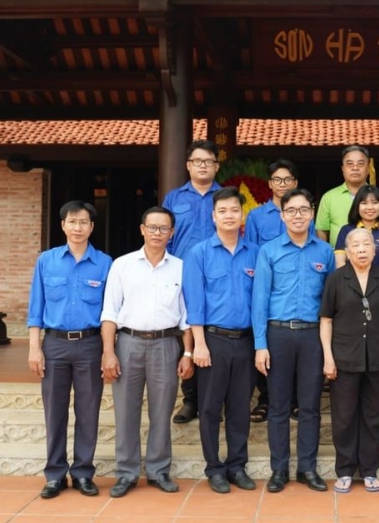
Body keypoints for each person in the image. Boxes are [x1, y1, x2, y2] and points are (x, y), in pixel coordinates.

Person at [101, 206, 193, 498]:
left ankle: (158, 470)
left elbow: (187, 316)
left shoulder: (181, 267)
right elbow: (110, 312)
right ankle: (126, 473)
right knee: (126, 411)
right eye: (152, 227)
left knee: (162, 410)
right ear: (142, 229)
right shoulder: (122, 265)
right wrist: (108, 352)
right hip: (127, 343)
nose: (157, 233)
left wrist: (187, 353)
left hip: (167, 344)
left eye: (163, 228)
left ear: (172, 233)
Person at [27, 200, 112, 499]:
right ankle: (55, 474)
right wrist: (34, 349)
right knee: (55, 412)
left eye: (84, 222)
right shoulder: (46, 261)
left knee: (88, 411)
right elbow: (35, 309)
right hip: (54, 345)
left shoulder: (105, 264)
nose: (78, 227)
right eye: (72, 221)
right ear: (62, 225)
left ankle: (83, 473)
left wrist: (107, 350)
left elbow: (109, 313)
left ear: (92, 226)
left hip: (90, 344)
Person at [253, 188, 336, 493]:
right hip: (278, 334)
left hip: (313, 335)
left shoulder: (324, 252)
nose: (298, 216)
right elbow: (259, 300)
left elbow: (330, 304)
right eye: (291, 211)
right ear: (283, 214)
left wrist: (329, 348)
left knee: (311, 405)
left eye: (303, 210)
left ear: (312, 213)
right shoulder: (270, 251)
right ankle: (279, 469)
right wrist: (260, 344)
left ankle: (307, 468)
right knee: (277, 405)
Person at [183, 187, 259, 494]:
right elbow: (194, 302)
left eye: (234, 210)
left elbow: (262, 300)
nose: (229, 216)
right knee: (211, 407)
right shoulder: (198, 253)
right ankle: (214, 467)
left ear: (242, 215)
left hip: (246, 341)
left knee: (240, 406)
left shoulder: (255, 253)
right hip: (212, 341)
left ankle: (237, 465)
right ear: (213, 216)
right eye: (223, 211)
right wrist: (198, 345)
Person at [320, 228, 379, 493]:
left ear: (375, 249)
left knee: (374, 416)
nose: (362, 249)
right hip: (344, 357)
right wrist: (328, 358)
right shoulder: (336, 279)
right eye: (356, 245)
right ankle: (344, 470)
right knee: (343, 416)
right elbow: (326, 321)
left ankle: (369, 470)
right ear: (347, 250)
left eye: (367, 243)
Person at [244, 158, 312, 424]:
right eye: (277, 180)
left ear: (295, 183)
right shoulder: (257, 216)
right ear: (270, 184)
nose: (282, 184)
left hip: (297, 291)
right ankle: (265, 398)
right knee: (266, 347)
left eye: (288, 180)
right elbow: (250, 251)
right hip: (265, 285)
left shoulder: (302, 215)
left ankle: (293, 401)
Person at [163, 139, 222, 425]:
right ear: (188, 165)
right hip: (182, 275)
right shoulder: (174, 198)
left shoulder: (224, 197)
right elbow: (164, 236)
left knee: (215, 335)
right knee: (185, 333)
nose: (202, 166)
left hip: (219, 276)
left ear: (216, 166)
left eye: (208, 161)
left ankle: (213, 400)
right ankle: (190, 400)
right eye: (197, 161)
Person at [316, 145, 379, 247]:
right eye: (350, 164)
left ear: (368, 169)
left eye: (360, 164)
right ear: (343, 168)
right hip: (338, 259)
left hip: (375, 259)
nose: (355, 168)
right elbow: (322, 230)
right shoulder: (329, 197)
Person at [334, 184, 379, 274]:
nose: (370, 207)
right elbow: (340, 262)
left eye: (375, 202)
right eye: (364, 203)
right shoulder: (346, 230)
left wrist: (378, 281)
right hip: (350, 284)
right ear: (357, 206)